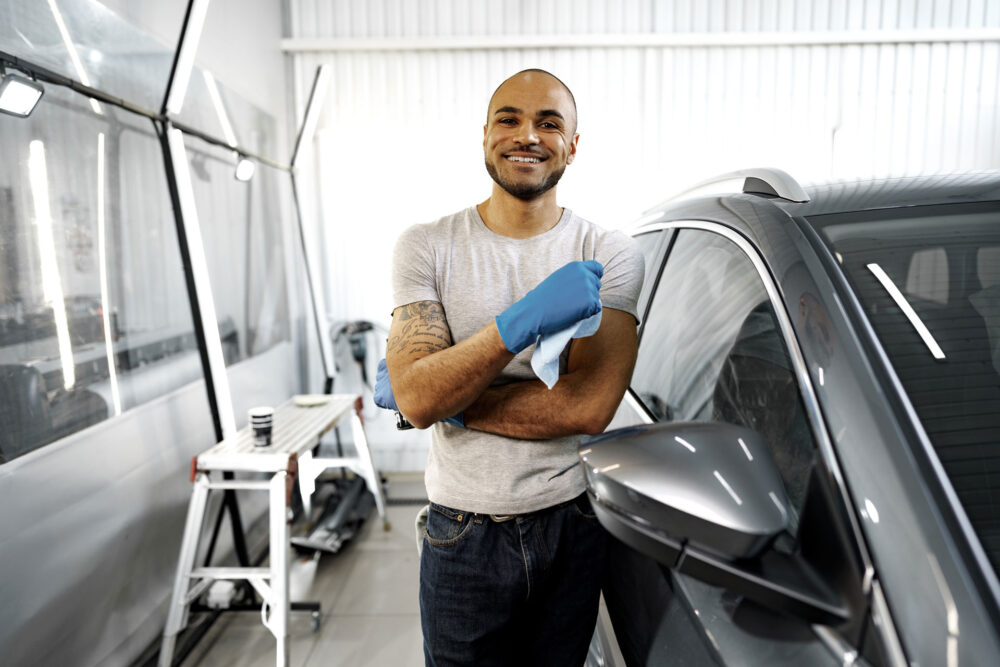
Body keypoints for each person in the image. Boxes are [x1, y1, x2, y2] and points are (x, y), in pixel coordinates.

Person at [374, 69, 644, 667]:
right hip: (462, 531)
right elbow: (418, 399)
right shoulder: (425, 246)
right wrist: (515, 325)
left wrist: (448, 398)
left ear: (573, 145)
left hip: (571, 522)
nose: (528, 135)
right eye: (509, 118)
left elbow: (586, 407)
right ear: (485, 136)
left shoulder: (609, 252)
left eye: (550, 123)